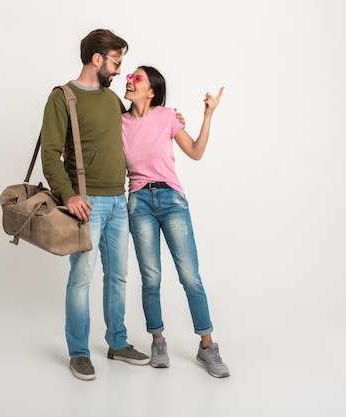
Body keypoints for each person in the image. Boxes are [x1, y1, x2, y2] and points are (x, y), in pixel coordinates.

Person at [40, 29, 150, 381]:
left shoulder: (111, 100)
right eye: (116, 62)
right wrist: (69, 195)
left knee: (117, 276)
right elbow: (51, 156)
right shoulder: (63, 97)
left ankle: (117, 342)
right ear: (97, 59)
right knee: (82, 278)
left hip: (120, 200)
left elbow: (135, 129)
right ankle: (79, 352)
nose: (120, 71)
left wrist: (167, 119)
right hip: (86, 205)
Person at [121, 65, 230, 378]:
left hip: (171, 199)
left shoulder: (167, 116)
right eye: (129, 76)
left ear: (151, 90)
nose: (130, 80)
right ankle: (158, 340)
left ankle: (207, 347)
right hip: (139, 201)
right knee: (150, 277)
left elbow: (195, 151)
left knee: (189, 276)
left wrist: (207, 115)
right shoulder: (120, 123)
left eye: (137, 78)